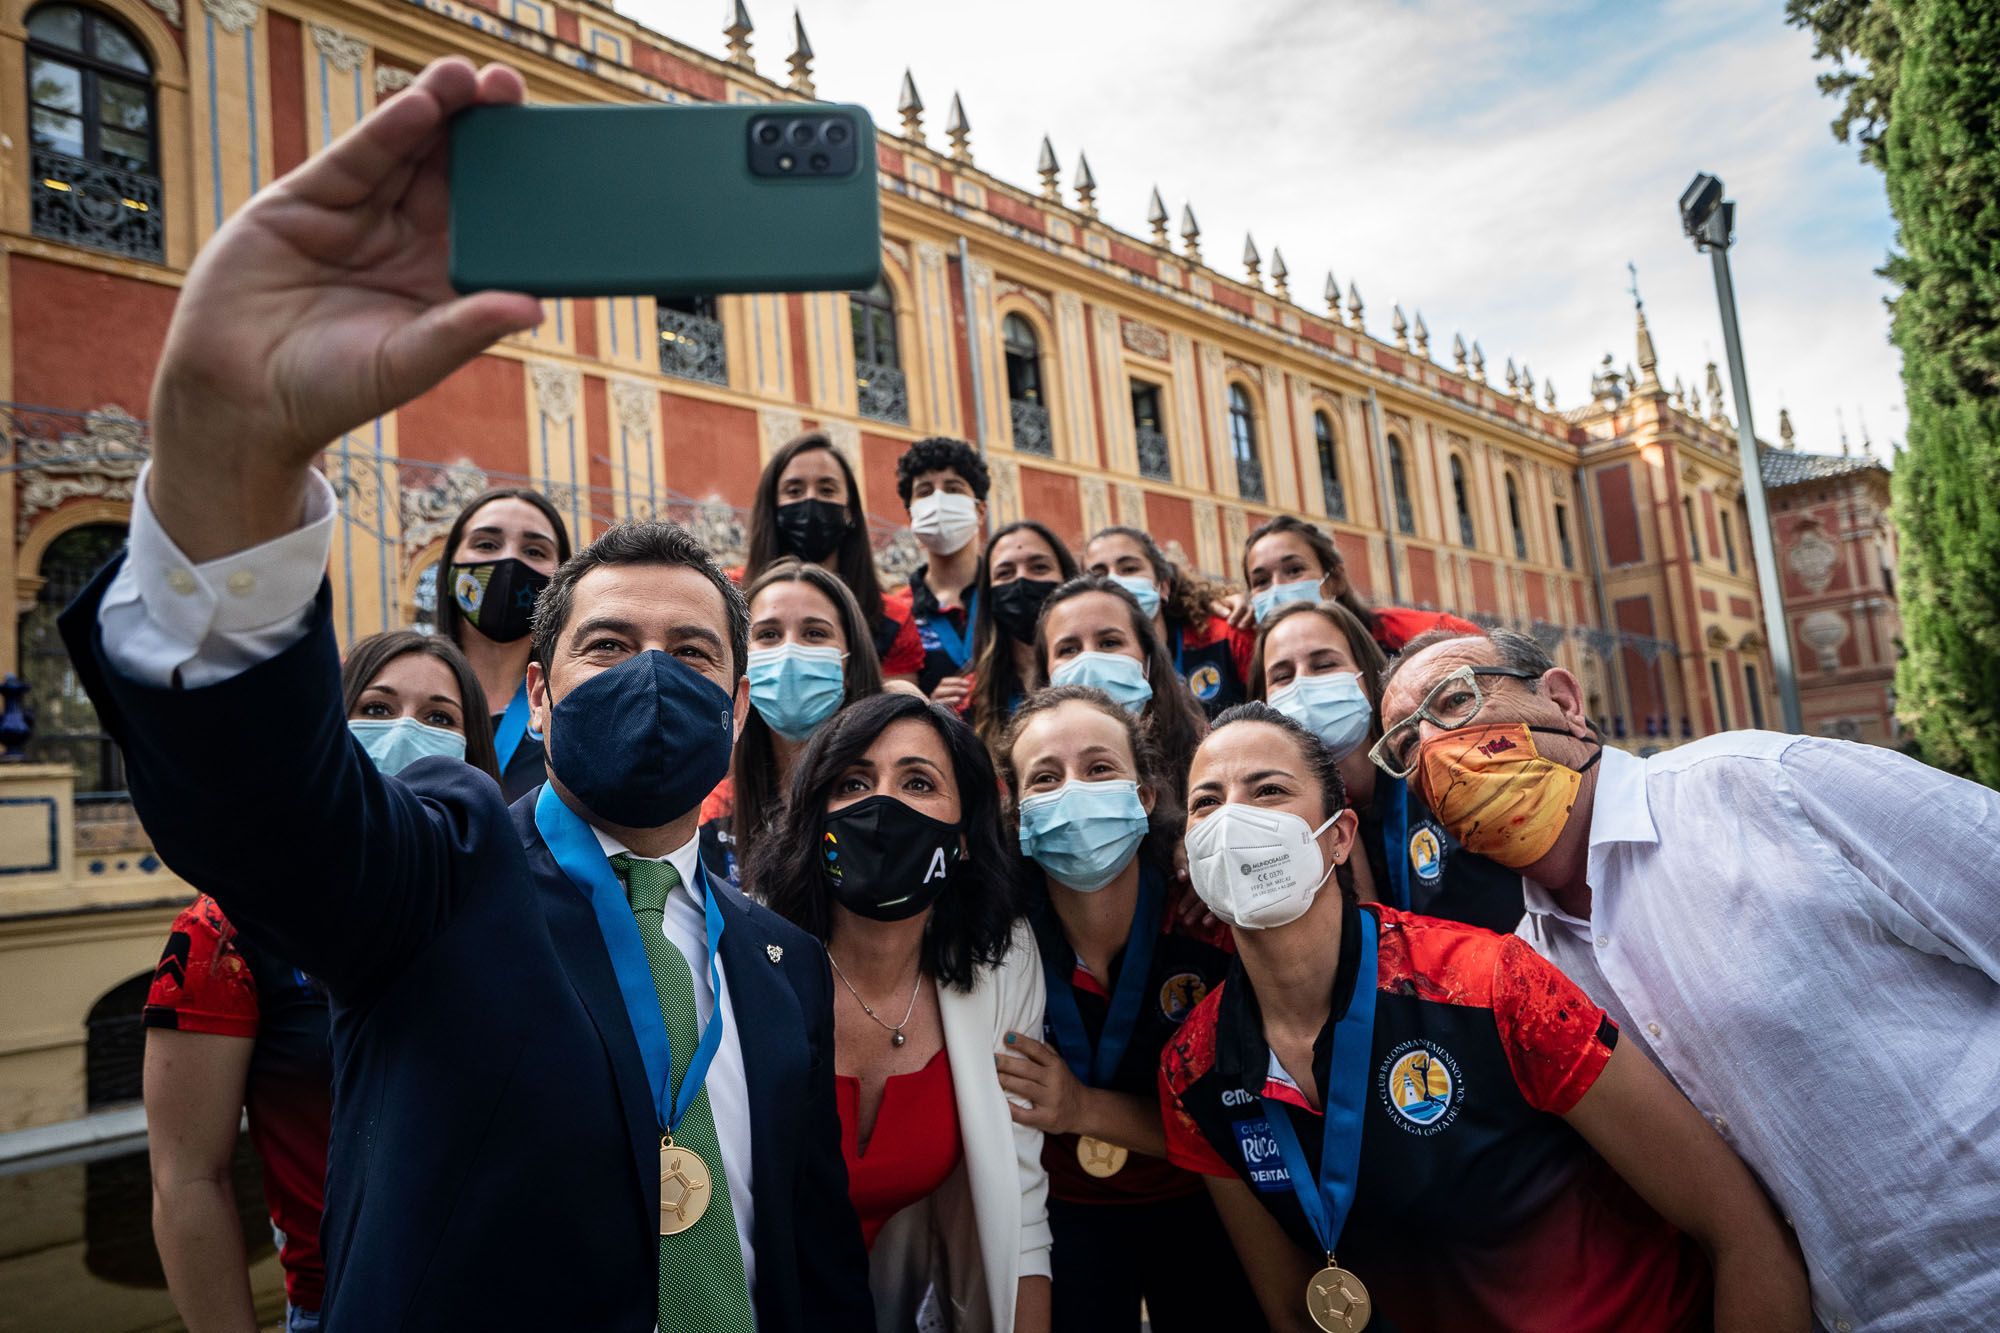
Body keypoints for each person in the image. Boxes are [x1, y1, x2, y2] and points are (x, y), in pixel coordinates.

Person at [65, 59, 871, 1329]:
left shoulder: (782, 961)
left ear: (735, 707)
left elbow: (811, 1254)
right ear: (537, 698)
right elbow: (263, 805)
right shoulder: (438, 873)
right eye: (609, 648)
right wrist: (235, 446)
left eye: (694, 652)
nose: (653, 672)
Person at [1378, 626, 2000, 1331]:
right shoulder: (1532, 983)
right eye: (1404, 746)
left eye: (1455, 701)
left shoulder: (1763, 785)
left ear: (1562, 700)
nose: (1432, 746)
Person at [1157, 704, 1808, 1333]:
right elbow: (1295, 1313)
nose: (1232, 818)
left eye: (1267, 789)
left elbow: (1741, 1233)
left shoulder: (1490, 983)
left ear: (1339, 839)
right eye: (1206, 802)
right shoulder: (1193, 1069)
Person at [143, 629, 495, 1333]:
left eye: (439, 718)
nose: (405, 733)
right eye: (377, 705)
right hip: (338, 1306)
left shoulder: (504, 906)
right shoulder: (225, 932)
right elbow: (187, 1180)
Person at [746, 691, 1051, 1333]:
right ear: (815, 813)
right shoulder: (746, 954)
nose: (883, 807)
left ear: (964, 835)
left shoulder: (1004, 961)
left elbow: (1020, 1209)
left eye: (918, 782)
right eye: (854, 781)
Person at [996, 687, 1259, 1333]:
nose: (1075, 791)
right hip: (1063, 1214)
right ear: (1020, 816)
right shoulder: (998, 940)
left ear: (1144, 797)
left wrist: (1080, 1108)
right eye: (1046, 778)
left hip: (1207, 1202)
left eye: (1099, 768)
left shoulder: (1207, 921)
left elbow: (1240, 1125)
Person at [1249, 601, 1520, 932]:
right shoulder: (1290, 827)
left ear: (1366, 673)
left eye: (1323, 664)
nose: (1303, 686)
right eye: (1282, 676)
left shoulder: (1445, 770)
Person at [699, 557, 885, 883]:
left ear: (850, 664)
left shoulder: (889, 800)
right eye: (768, 634)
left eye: (814, 633)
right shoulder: (714, 815)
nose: (789, 652)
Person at [742, 431, 924, 687]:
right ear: (772, 507)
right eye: (794, 490)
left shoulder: (892, 618)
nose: (810, 499)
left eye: (827, 490)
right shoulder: (730, 591)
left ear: (849, 509)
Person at [431, 485, 572, 801]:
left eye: (535, 551)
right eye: (486, 544)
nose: (509, 560)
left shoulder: (575, 711)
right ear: (450, 567)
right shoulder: (402, 698)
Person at [1033, 576, 1207, 806]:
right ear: (1046, 674)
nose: (1089, 659)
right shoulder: (1031, 772)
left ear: (1147, 660)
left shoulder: (1205, 758)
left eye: (1109, 643)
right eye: (1069, 649)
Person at [1240, 514, 1477, 654]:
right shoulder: (1243, 652)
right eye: (1261, 581)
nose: (1278, 587)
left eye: (1294, 570)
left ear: (1334, 580)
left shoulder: (1429, 634)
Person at [1085, 526, 1253, 719]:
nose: (1113, 581)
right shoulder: (1084, 669)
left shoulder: (1225, 637)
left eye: (1130, 569)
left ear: (1163, 586)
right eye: (1098, 575)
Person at [886, 437, 990, 708]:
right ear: (911, 516)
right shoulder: (897, 612)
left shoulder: (1006, 598)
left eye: (953, 488)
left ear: (980, 510)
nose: (939, 499)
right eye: (924, 491)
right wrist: (929, 708)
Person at [968, 520, 1079, 756]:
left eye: (1039, 567)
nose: (1021, 580)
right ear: (989, 594)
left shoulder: (1099, 676)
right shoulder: (970, 698)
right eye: (1005, 573)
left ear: (1067, 581)